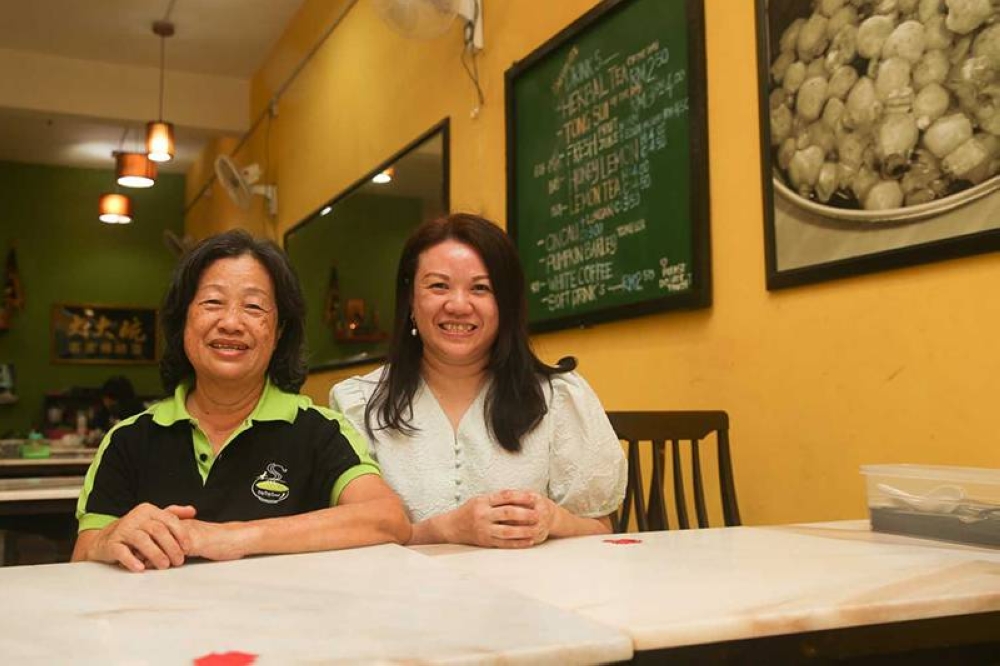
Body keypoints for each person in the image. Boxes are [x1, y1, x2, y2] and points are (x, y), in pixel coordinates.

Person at [73, 229, 410, 572]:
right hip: (154, 623)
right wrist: (107, 539)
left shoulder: (319, 431)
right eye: (212, 303)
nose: (231, 323)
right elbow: (81, 561)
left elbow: (388, 519)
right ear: (183, 321)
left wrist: (230, 537)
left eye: (253, 306)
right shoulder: (129, 440)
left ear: (278, 332)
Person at [331, 213, 626, 548]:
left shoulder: (559, 398)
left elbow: (602, 530)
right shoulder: (358, 404)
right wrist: (442, 531)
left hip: (532, 595)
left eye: (481, 288)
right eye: (438, 285)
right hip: (406, 596)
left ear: (506, 305)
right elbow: (349, 537)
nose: (458, 305)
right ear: (411, 299)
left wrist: (554, 519)